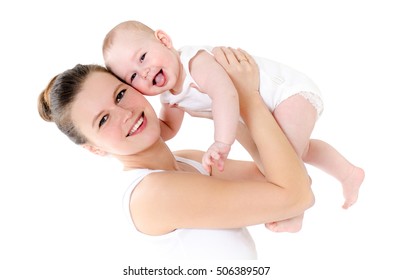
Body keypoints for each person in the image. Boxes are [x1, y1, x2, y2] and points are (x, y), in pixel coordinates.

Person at [37, 47, 313, 260]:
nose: (125, 113)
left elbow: (285, 175)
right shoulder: (152, 194)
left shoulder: (189, 160)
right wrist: (248, 97)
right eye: (103, 120)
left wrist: (226, 107)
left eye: (120, 95)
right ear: (94, 148)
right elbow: (296, 194)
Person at [102, 20, 365, 232]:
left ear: (164, 40)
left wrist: (222, 142)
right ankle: (348, 173)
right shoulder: (169, 97)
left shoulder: (195, 63)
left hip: (287, 93)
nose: (144, 72)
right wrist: (133, 129)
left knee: (283, 159)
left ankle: (294, 209)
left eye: (143, 57)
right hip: (265, 108)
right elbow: (167, 130)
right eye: (133, 76)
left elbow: (226, 95)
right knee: (295, 152)